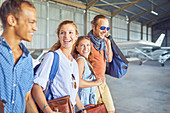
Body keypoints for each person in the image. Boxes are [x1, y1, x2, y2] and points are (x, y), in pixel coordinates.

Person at [32, 20, 86, 113]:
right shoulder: (52, 57)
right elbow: (36, 87)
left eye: (70, 33)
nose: (66, 36)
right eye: (62, 33)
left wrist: (83, 110)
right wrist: (48, 111)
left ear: (76, 36)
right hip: (56, 109)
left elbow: (73, 92)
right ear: (58, 36)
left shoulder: (74, 63)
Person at [0, 0, 38, 113]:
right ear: (12, 20)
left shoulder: (27, 60)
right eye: (31, 22)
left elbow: (26, 98)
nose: (35, 28)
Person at [88, 15, 115, 113]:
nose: (105, 31)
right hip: (92, 85)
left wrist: (108, 44)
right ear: (93, 27)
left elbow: (109, 59)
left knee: (110, 110)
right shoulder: (87, 42)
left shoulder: (103, 42)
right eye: (102, 28)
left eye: (107, 28)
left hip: (103, 82)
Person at [72, 36, 102, 106]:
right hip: (83, 101)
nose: (86, 48)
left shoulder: (86, 61)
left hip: (88, 100)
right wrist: (96, 83)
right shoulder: (80, 60)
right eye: (82, 45)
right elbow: (78, 82)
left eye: (88, 45)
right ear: (77, 48)